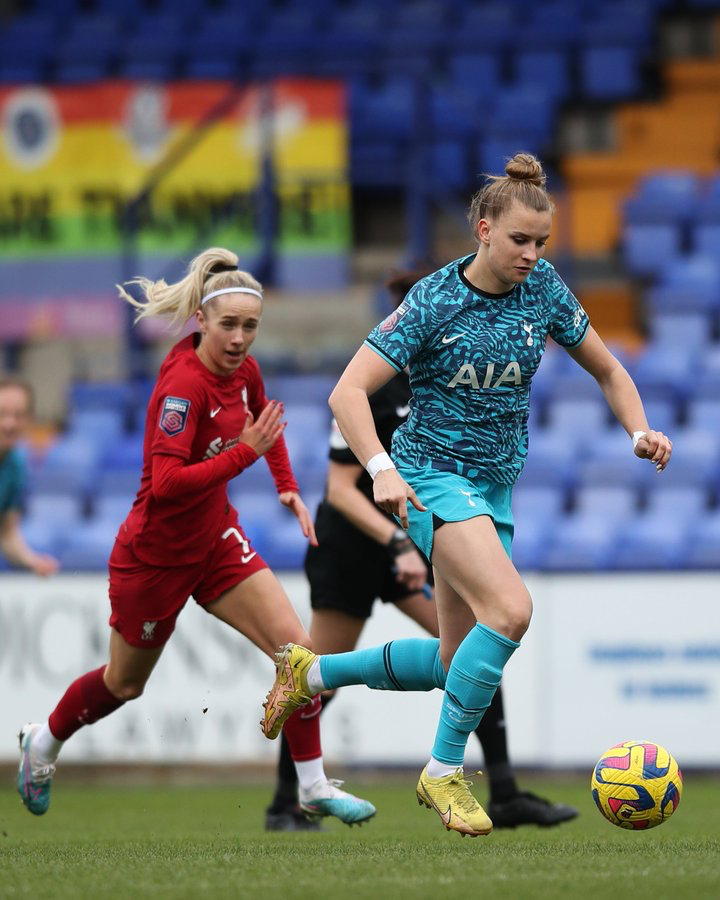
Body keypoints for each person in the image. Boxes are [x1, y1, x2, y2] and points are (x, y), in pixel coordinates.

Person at [260, 153, 672, 837]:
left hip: (493, 487)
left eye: (541, 242)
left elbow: (607, 366)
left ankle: (312, 673)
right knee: (511, 611)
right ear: (482, 228)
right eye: (519, 240)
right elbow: (346, 391)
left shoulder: (543, 290)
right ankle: (443, 769)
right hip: (429, 479)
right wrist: (381, 467)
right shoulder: (433, 301)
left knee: (455, 663)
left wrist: (640, 429)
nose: (531, 255)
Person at [16, 247, 375, 827]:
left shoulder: (245, 372)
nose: (239, 339)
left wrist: (285, 485)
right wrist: (243, 456)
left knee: (300, 658)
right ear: (201, 321)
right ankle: (47, 740)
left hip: (214, 541)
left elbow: (265, 426)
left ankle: (310, 787)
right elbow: (165, 485)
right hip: (154, 557)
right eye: (228, 325)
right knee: (123, 685)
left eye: (250, 327)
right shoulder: (184, 388)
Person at [265, 268, 578, 832]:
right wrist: (395, 535)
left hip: (418, 529)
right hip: (357, 545)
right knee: (501, 618)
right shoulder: (378, 385)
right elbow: (339, 489)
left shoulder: (452, 382)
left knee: (462, 655)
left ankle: (500, 787)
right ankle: (288, 797)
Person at [0, 376, 59, 577]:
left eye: (18, 415)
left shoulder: (15, 466)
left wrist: (32, 561)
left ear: (29, 419)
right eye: (2, 414)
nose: (9, 423)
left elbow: (6, 533)